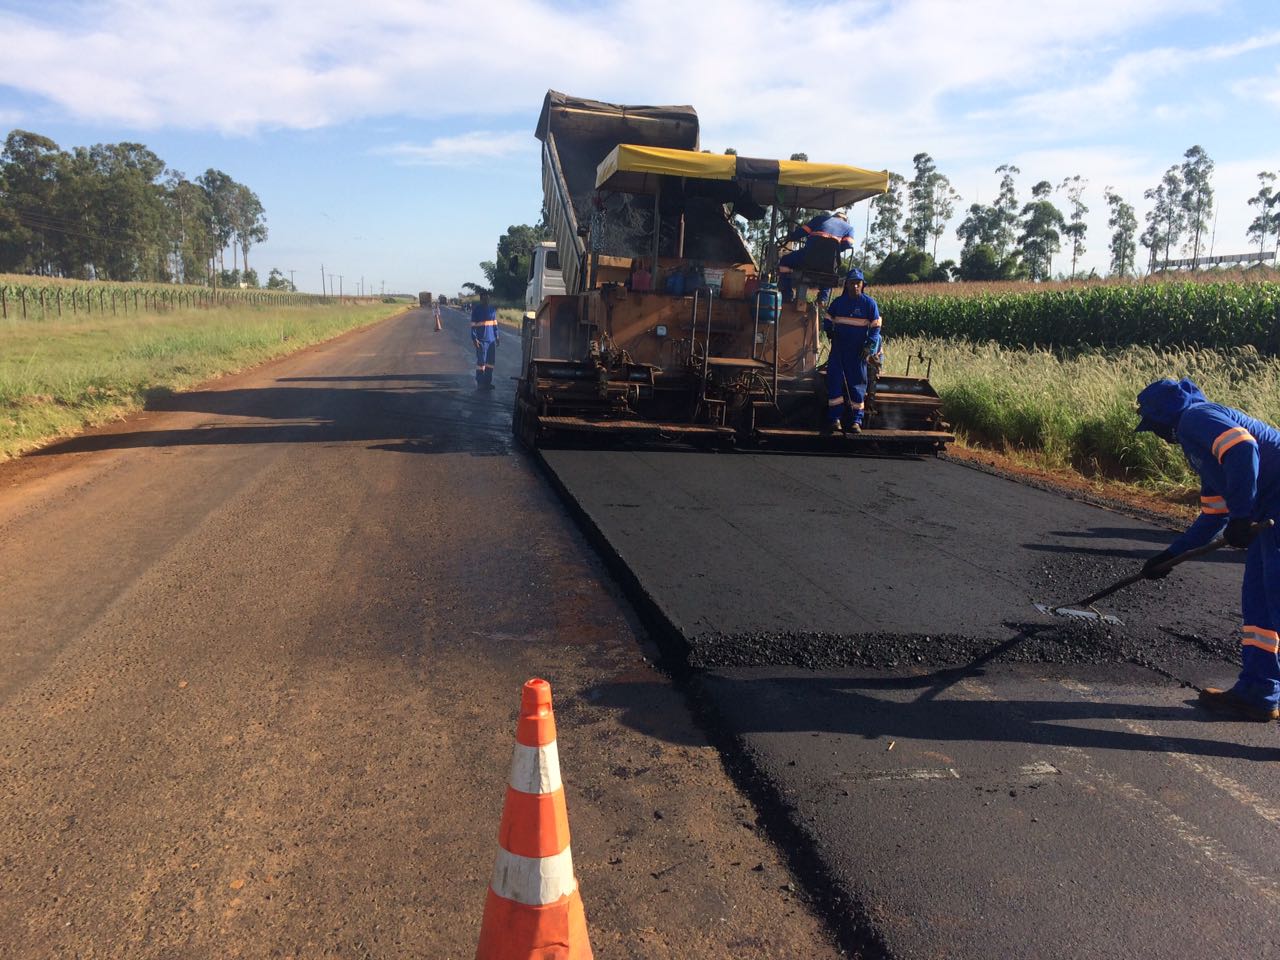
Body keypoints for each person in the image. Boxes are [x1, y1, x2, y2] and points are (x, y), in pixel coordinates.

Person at [1136, 377, 1280, 720]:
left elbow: (1244, 448)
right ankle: (1259, 693)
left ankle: (1260, 690)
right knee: (1259, 603)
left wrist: (1243, 515)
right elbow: (1215, 513)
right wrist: (1170, 555)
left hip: (1273, 510)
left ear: (1163, 418)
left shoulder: (1193, 419)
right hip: (1267, 516)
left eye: (1154, 426)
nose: (1157, 435)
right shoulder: (1198, 445)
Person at [822, 269, 881, 435]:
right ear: (846, 284)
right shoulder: (838, 303)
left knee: (857, 386)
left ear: (862, 285)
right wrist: (829, 330)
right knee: (834, 382)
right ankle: (835, 419)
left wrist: (869, 346)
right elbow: (827, 318)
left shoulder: (869, 304)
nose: (855, 286)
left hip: (857, 353)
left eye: (858, 283)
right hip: (839, 351)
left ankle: (856, 421)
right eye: (852, 283)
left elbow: (876, 327)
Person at [777, 210, 855, 304]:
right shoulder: (849, 228)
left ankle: (787, 297)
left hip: (807, 259)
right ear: (845, 220)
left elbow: (801, 232)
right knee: (830, 273)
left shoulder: (820, 219)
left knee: (784, 260)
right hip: (829, 264)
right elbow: (848, 244)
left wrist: (791, 236)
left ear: (834, 216)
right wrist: (834, 250)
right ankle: (822, 299)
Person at [470, 291, 499, 390]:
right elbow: (473, 326)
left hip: (491, 341)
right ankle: (480, 382)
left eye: (488, 298)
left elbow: (495, 324)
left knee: (490, 363)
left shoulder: (492, 310)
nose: (487, 300)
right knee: (481, 362)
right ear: (481, 299)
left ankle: (487, 382)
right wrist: (474, 338)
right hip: (481, 340)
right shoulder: (476, 310)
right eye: (485, 298)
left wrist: (497, 336)